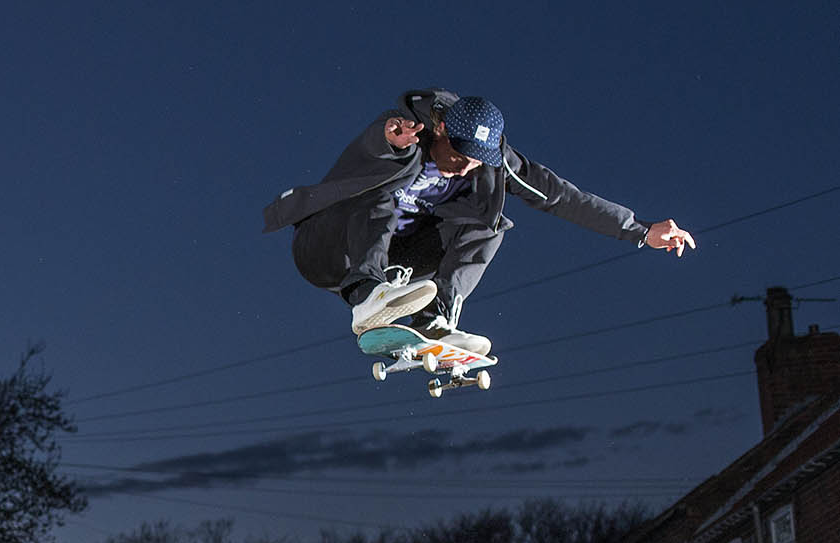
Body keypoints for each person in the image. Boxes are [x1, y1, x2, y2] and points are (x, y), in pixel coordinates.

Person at [263, 89, 694, 355]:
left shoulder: (490, 162)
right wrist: (386, 141)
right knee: (381, 193)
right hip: (324, 248)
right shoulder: (403, 132)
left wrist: (640, 230)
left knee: (489, 223)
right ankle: (366, 294)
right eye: (457, 156)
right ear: (442, 128)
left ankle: (435, 317)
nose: (464, 169)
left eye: (475, 162)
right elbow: (370, 150)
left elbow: (561, 196)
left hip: (397, 263)